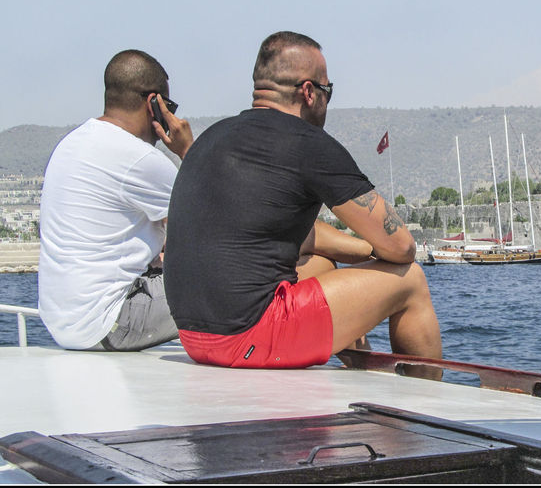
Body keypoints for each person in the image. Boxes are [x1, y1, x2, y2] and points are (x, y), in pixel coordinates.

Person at [163, 31, 442, 379]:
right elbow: (402, 247)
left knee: (323, 267)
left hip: (194, 337)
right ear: (309, 92)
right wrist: (379, 251)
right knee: (410, 280)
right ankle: (426, 405)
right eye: (328, 91)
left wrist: (364, 251)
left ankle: (357, 365)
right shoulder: (309, 144)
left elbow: (300, 236)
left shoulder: (210, 138)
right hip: (249, 337)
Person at [38, 49, 194, 351]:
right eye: (168, 106)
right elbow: (224, 218)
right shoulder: (140, 158)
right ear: (154, 104)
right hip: (111, 323)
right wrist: (188, 152)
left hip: (63, 324)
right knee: (243, 273)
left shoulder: (71, 144)